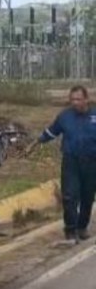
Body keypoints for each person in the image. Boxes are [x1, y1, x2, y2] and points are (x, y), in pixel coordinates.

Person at [31, 85, 96, 242]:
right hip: (71, 162)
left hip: (92, 162)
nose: (75, 102)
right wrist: (37, 142)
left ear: (86, 99)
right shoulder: (65, 116)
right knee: (69, 196)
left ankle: (82, 227)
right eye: (72, 99)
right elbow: (52, 131)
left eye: (78, 99)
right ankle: (70, 230)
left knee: (87, 197)